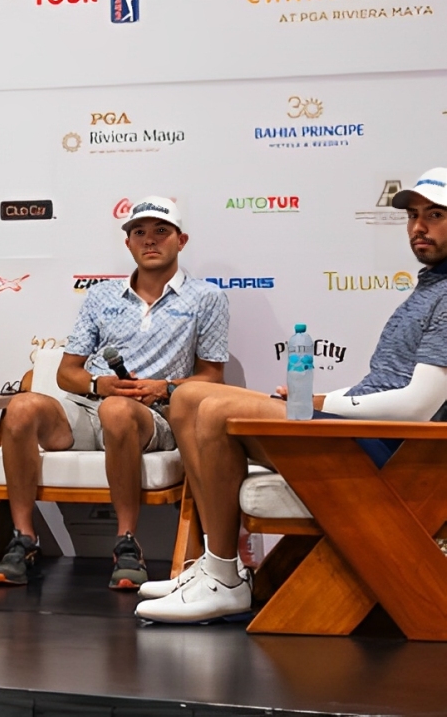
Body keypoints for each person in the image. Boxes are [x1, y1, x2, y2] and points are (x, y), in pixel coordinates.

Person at [138, 168, 447, 624]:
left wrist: (316, 406)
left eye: (435, 215)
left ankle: (224, 579)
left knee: (212, 402)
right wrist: (318, 399)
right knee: (189, 399)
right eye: (414, 215)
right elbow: (383, 385)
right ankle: (217, 565)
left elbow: (418, 408)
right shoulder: (428, 289)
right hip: (364, 436)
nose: (418, 227)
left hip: (398, 453)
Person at [0, 197, 229, 589]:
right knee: (21, 407)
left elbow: (212, 377)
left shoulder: (207, 298)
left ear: (181, 241)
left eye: (161, 231)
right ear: (129, 244)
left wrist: (163, 387)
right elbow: (68, 373)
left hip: (154, 417)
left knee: (117, 410)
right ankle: (23, 538)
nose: (150, 240)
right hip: (88, 406)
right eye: (140, 233)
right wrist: (99, 384)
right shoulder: (100, 296)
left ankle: (127, 543)